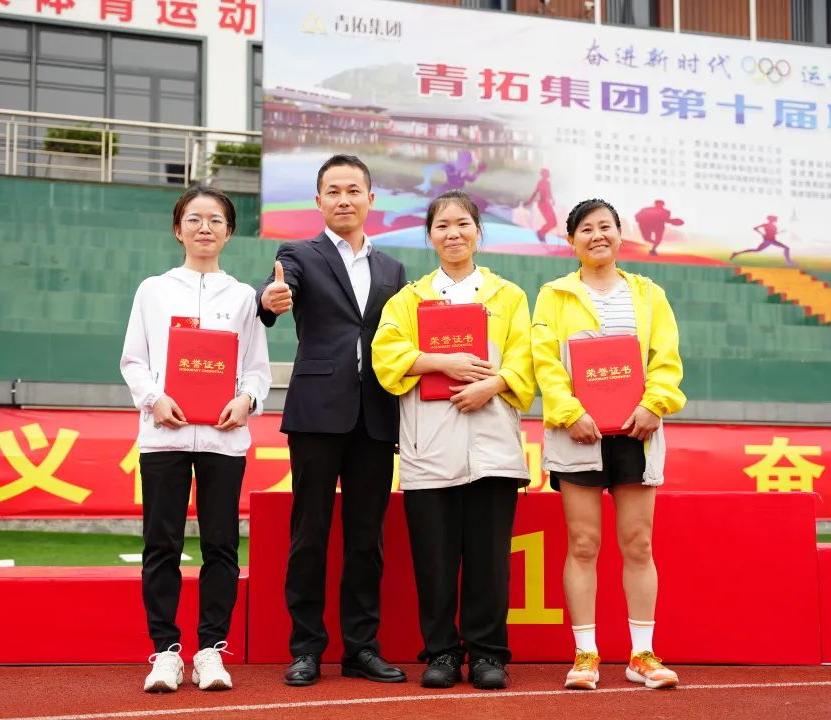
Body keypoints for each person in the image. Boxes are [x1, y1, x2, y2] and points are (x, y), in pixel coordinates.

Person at [371, 190, 535, 690]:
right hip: (429, 446)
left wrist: (492, 384)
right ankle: (441, 652)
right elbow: (385, 356)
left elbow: (526, 360)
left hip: (492, 445)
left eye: (462, 223)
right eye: (442, 226)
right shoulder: (408, 299)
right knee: (435, 561)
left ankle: (488, 654)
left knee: (489, 561)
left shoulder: (508, 296)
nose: (453, 233)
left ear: (478, 232)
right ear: (430, 236)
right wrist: (444, 362)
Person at [257, 154, 408, 686]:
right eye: (334, 191)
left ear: (371, 199)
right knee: (310, 535)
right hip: (317, 413)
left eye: (353, 190)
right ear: (318, 201)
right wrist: (271, 299)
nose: (344, 199)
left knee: (367, 539)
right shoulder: (298, 254)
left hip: (376, 416)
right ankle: (306, 649)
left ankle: (361, 648)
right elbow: (278, 291)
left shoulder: (393, 269)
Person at [120, 183, 271, 693]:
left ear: (229, 233)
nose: (204, 228)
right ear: (177, 229)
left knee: (221, 545)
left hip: (223, 439)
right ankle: (165, 652)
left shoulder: (245, 297)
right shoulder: (153, 290)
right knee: (161, 544)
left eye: (215, 220)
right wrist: (153, 399)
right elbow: (133, 360)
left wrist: (246, 401)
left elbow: (257, 369)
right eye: (194, 219)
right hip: (165, 434)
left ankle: (210, 651)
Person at [531, 198, 685, 691]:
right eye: (586, 229)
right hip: (577, 433)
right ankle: (586, 655)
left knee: (638, 543)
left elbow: (665, 358)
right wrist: (569, 412)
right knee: (583, 543)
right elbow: (544, 361)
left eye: (606, 227)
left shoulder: (649, 293)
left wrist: (655, 405)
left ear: (620, 234)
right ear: (571, 241)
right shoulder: (553, 295)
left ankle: (642, 654)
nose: (597, 236)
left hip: (637, 432)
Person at [526, 168, 558, 243]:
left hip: (546, 204)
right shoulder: (543, 183)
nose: (547, 176)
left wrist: (552, 200)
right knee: (552, 222)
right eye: (546, 174)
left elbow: (548, 193)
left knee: (553, 222)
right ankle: (541, 233)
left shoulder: (546, 183)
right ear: (544, 175)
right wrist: (529, 202)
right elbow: (537, 193)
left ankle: (541, 233)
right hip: (544, 204)